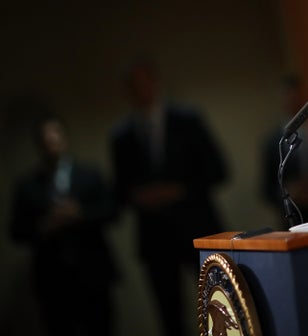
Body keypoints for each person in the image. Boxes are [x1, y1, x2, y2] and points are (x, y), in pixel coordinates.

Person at [110, 58, 228, 336]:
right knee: (169, 316)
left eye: (145, 82)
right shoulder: (121, 137)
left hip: (197, 227)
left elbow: (218, 169)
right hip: (155, 237)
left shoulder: (187, 120)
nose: (142, 90)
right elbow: (119, 190)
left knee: (220, 306)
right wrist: (140, 196)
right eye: (134, 85)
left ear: (156, 82)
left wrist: (179, 189)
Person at [10, 115, 118, 336]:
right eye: (46, 141)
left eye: (55, 138)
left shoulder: (89, 174)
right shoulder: (27, 186)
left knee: (101, 327)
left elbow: (112, 210)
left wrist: (81, 213)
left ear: (65, 139)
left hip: (93, 271)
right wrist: (44, 225)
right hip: (52, 278)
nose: (51, 145)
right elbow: (16, 231)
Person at [261, 75, 308, 228]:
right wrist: (289, 193)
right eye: (289, 99)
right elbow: (266, 189)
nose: (295, 103)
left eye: (298, 99)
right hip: (296, 219)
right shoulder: (273, 142)